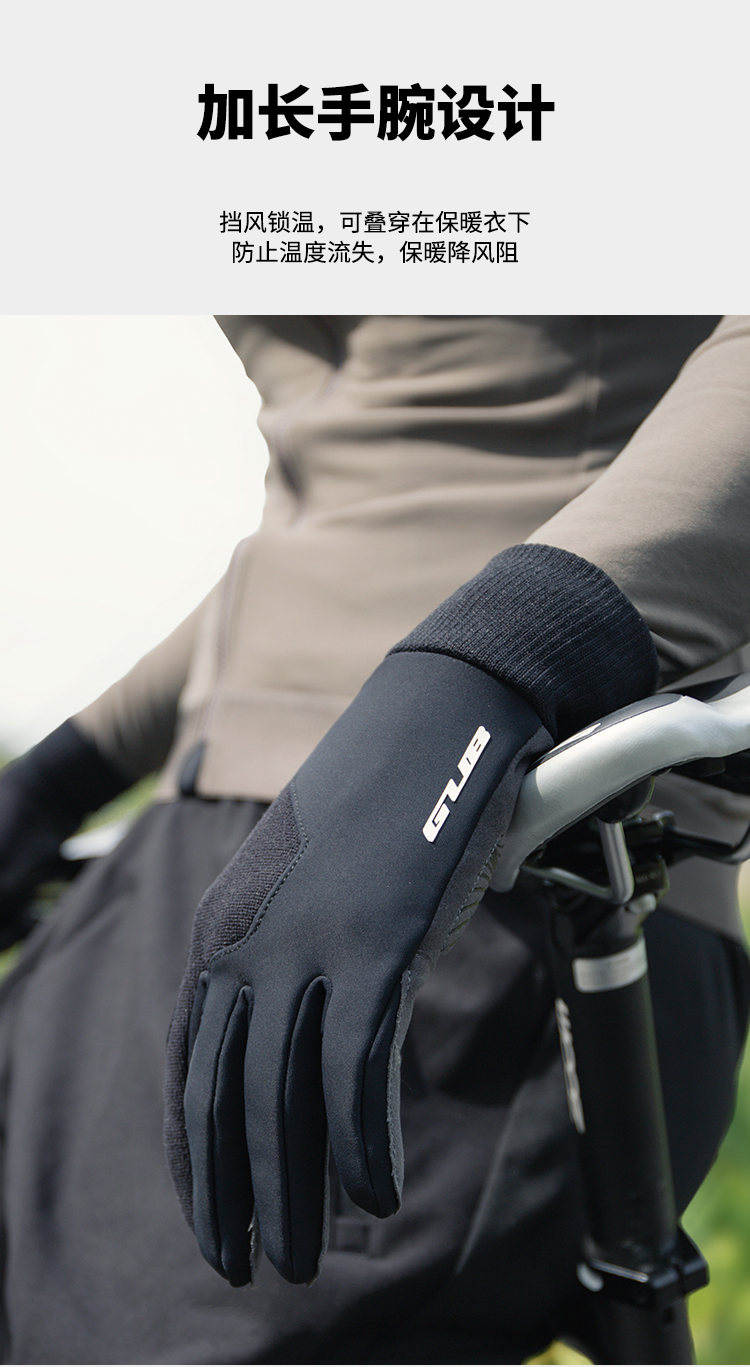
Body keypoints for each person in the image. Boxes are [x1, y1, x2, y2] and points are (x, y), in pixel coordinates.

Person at [1, 315, 750, 1365]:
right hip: (209, 860)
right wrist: (61, 775)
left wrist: (505, 659)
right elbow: (335, 513)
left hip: (503, 858)